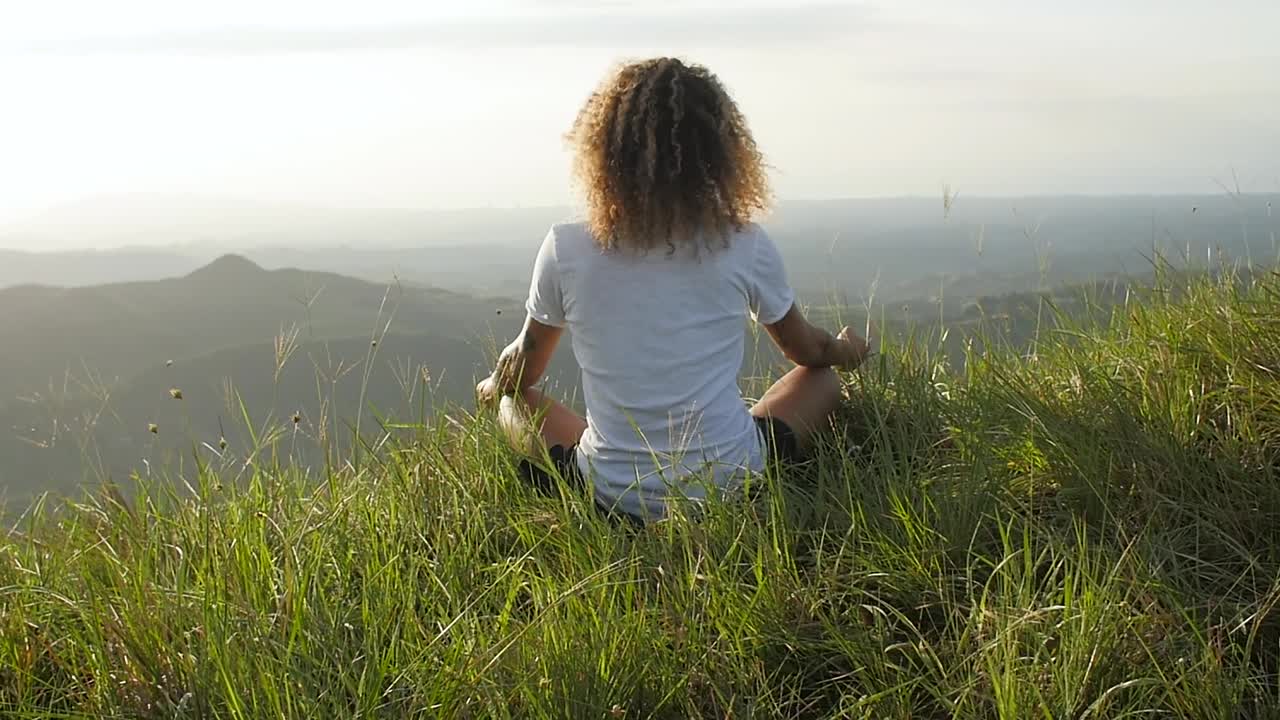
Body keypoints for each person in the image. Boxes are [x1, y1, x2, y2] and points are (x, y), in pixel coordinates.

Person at [476, 57, 870, 523]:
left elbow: (523, 373)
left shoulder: (566, 247)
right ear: (720, 154)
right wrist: (849, 350)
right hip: (732, 484)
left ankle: (606, 462)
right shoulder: (743, 244)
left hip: (612, 496)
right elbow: (808, 351)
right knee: (823, 380)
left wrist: (492, 385)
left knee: (511, 403)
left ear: (605, 151)